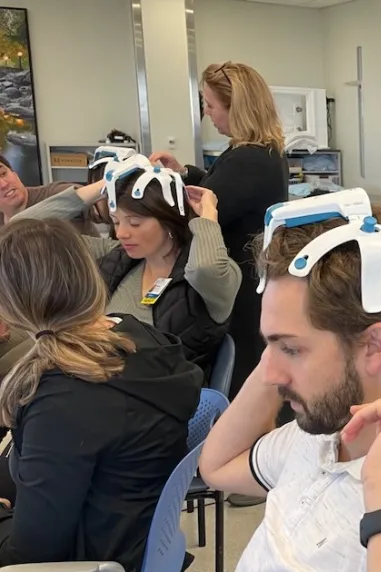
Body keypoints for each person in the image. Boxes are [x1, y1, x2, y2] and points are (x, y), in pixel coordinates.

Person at [198, 201, 381, 571]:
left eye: (292, 348)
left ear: (373, 345)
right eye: (270, 347)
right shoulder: (317, 437)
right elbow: (216, 467)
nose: (272, 375)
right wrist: (279, 346)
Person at [0, 218, 202, 570]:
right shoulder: (135, 332)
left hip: (88, 558)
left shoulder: (63, 397)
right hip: (131, 532)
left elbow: (32, 553)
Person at [13, 159, 241, 377]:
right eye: (115, 221)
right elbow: (20, 231)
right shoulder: (117, 257)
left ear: (169, 219)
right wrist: (107, 184)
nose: (122, 233)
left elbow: (204, 269)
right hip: (98, 383)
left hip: (163, 400)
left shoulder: (212, 277)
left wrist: (208, 216)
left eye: (134, 223)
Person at [150, 61, 289, 403]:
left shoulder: (251, 160)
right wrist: (184, 173)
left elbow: (210, 207)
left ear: (237, 108)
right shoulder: (251, 151)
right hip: (244, 281)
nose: (208, 113)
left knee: (240, 381)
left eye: (211, 105)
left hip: (236, 290)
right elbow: (219, 190)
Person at [0, 154, 97, 235]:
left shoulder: (55, 193)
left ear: (15, 174)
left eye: (3, 173)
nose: (4, 184)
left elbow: (100, 204)